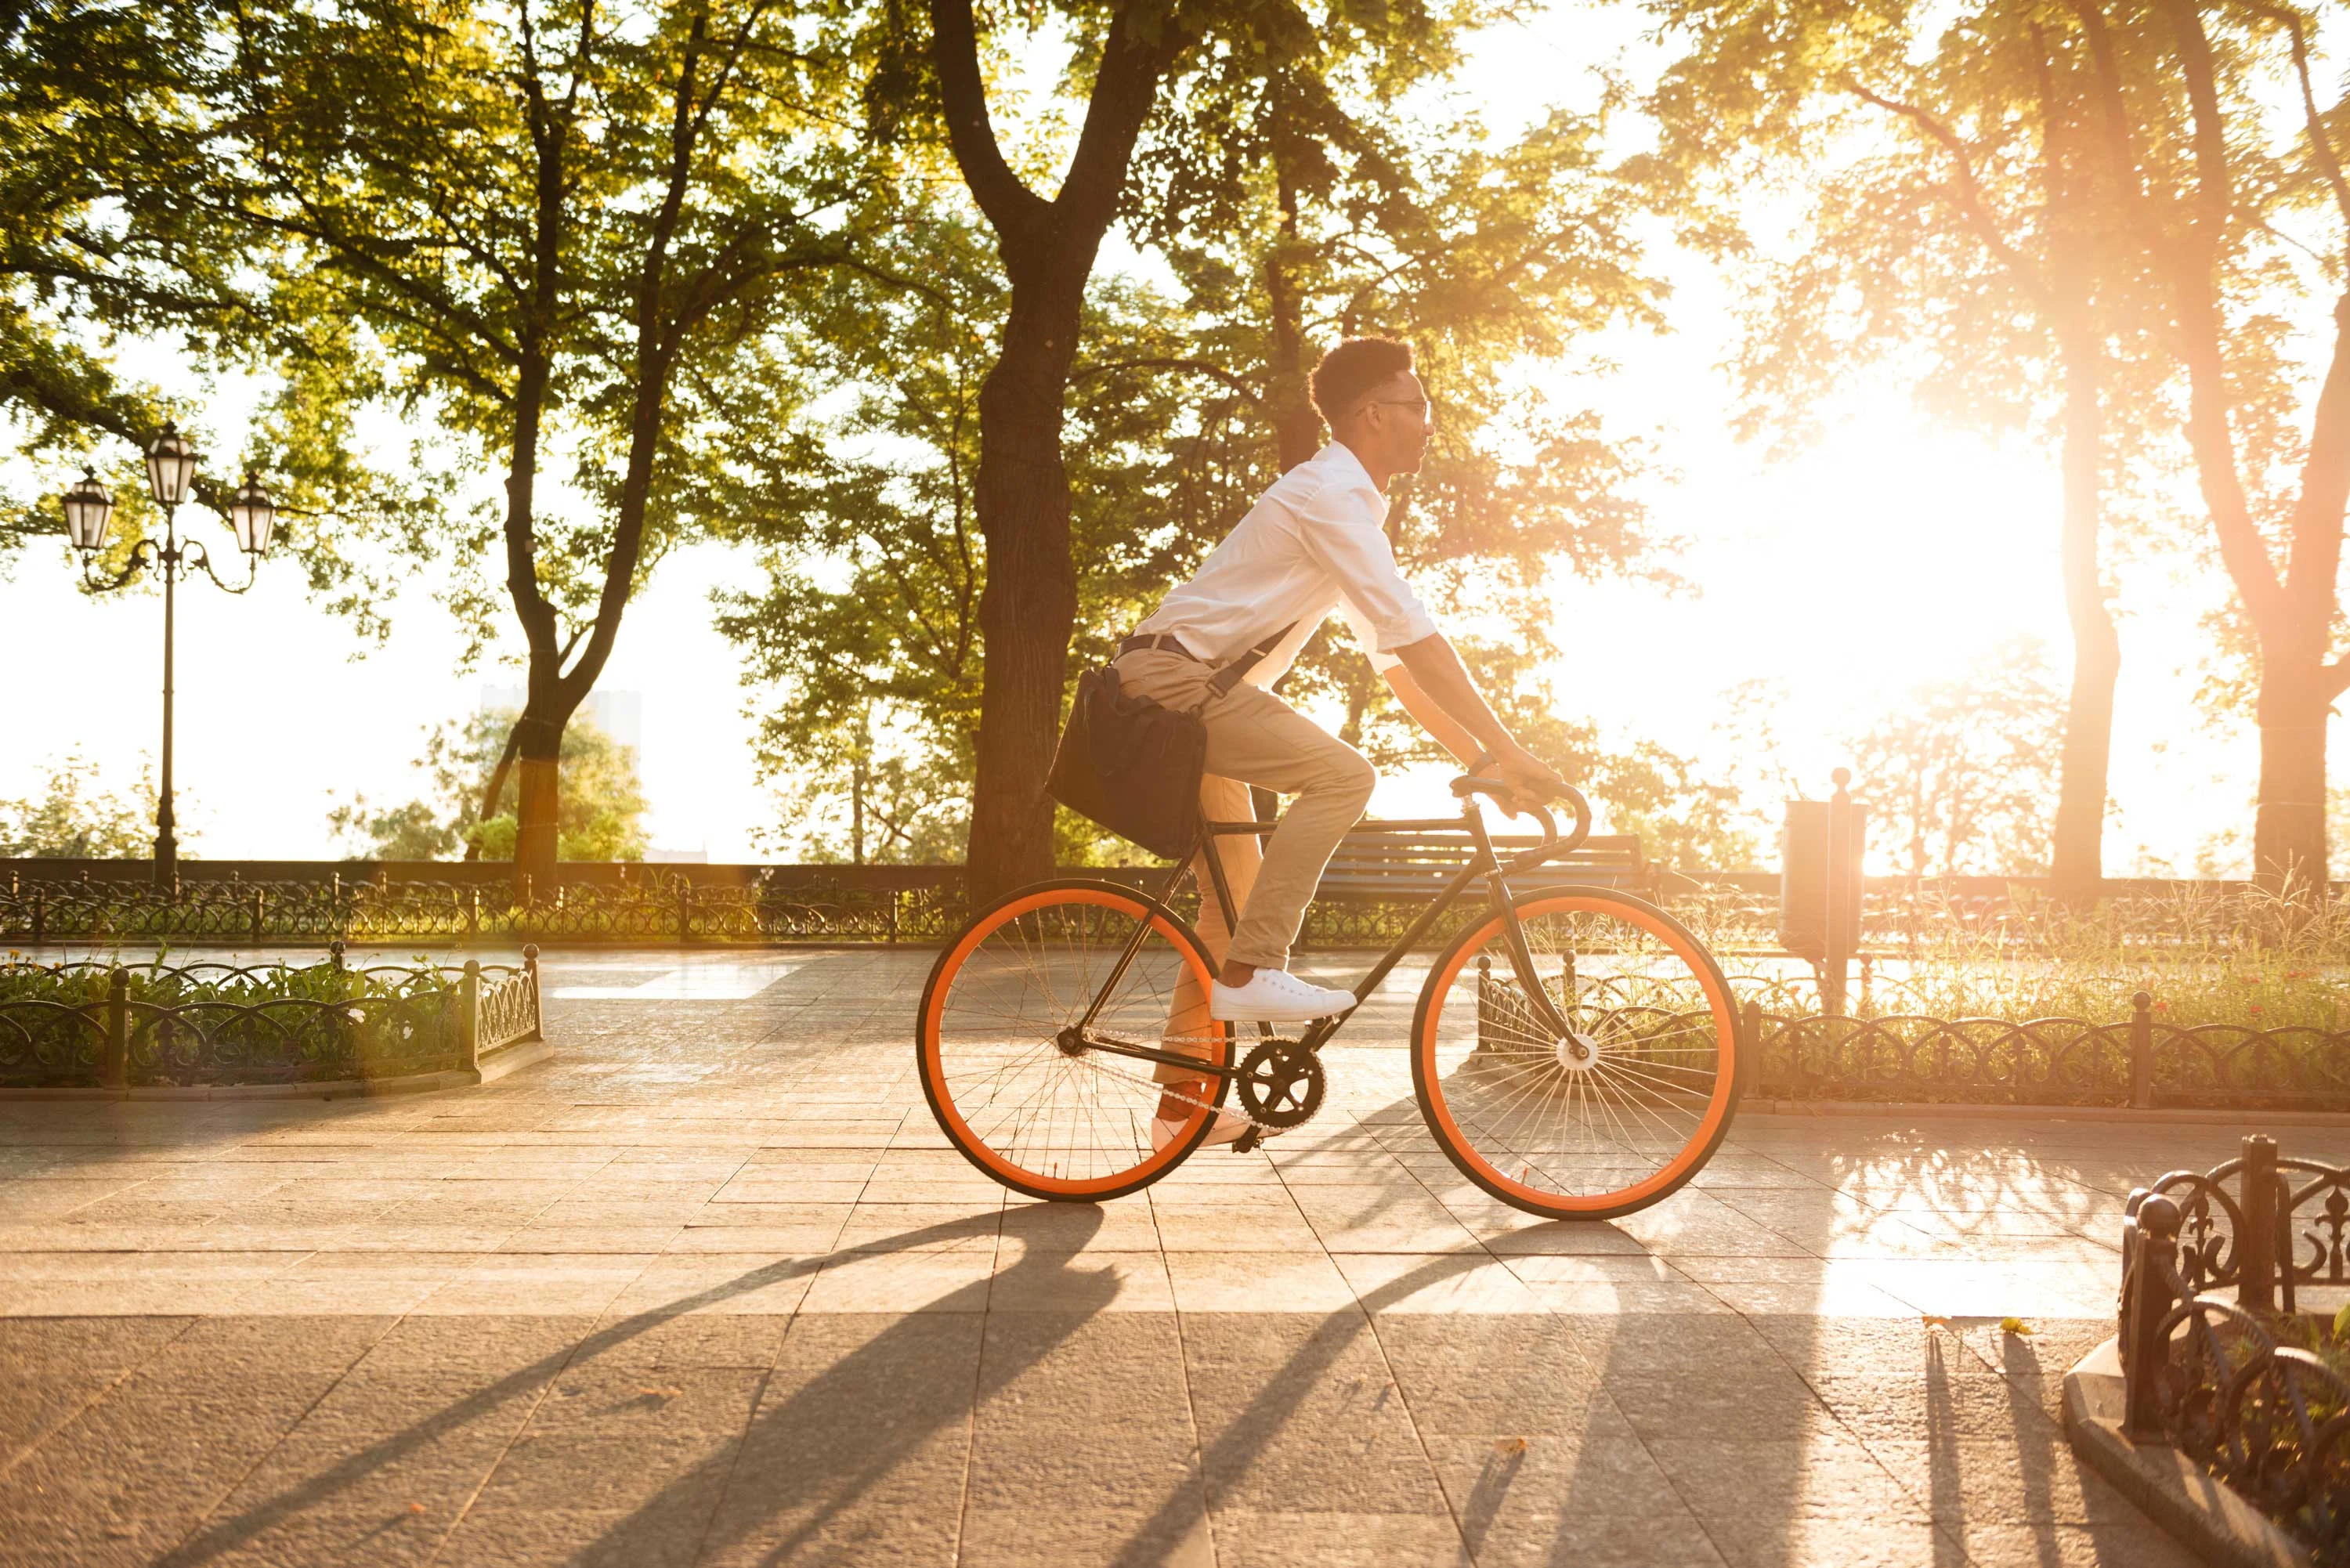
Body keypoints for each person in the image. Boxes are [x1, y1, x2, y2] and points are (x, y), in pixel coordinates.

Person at [1109, 335, 1567, 1149]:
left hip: (1200, 689)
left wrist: (1482, 760)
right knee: (1344, 776)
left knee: (1235, 905)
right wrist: (1508, 746)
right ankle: (1254, 973)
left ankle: (1182, 1109)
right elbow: (1415, 635)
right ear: (1374, 415)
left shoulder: (1348, 507)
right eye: (1419, 406)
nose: (1430, 422)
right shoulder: (1328, 493)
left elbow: (1396, 666)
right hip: (1176, 685)